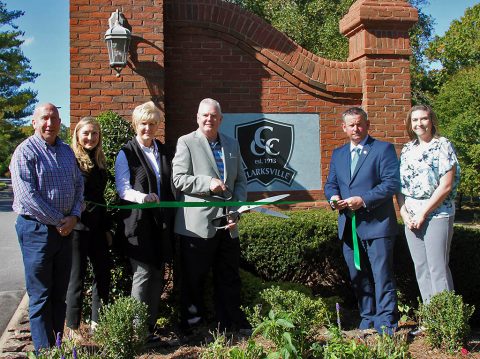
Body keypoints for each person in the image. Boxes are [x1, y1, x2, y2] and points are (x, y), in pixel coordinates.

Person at [9, 103, 83, 352]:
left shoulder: (65, 151)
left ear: (60, 122)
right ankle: (45, 352)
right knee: (40, 296)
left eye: (54, 118)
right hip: (36, 230)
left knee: (59, 293)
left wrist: (73, 216)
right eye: (44, 118)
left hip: (65, 229)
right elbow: (27, 195)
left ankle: (57, 345)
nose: (50, 123)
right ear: (34, 122)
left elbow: (78, 186)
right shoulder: (24, 152)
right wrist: (59, 220)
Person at [172, 98, 249, 334]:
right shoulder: (186, 142)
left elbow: (241, 182)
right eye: (205, 115)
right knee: (194, 279)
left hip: (228, 223)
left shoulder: (232, 144)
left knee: (229, 276)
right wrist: (208, 184)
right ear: (197, 117)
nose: (209, 119)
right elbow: (178, 178)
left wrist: (237, 210)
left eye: (214, 116)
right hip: (197, 226)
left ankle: (229, 323)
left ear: (220, 119)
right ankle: (192, 326)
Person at [324, 107, 400, 335]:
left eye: (359, 124)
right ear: (344, 128)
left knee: (382, 274)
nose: (355, 129)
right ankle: (367, 318)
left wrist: (363, 200)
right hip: (349, 226)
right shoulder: (338, 154)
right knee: (358, 276)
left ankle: (386, 321)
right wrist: (333, 198)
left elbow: (391, 184)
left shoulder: (383, 149)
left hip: (378, 225)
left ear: (367, 124)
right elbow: (331, 184)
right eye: (351, 125)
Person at [115, 101, 174, 341]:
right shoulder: (126, 152)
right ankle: (137, 332)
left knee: (158, 274)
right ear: (135, 125)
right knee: (142, 274)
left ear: (157, 125)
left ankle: (149, 327)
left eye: (152, 124)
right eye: (143, 124)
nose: (147, 128)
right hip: (138, 223)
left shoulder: (163, 150)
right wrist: (144, 197)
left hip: (160, 223)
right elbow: (123, 189)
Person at [397, 105, 460, 305]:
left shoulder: (442, 145)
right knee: (421, 268)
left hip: (437, 214)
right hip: (412, 217)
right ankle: (431, 319)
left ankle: (445, 322)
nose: (419, 124)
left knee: (437, 268)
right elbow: (400, 185)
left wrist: (423, 213)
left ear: (431, 120)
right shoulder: (408, 148)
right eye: (415, 120)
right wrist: (404, 212)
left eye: (423, 119)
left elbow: (446, 185)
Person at [66, 117, 112, 340]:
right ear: (77, 135)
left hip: (98, 227)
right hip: (78, 227)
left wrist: (107, 228)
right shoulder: (71, 160)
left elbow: (100, 196)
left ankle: (97, 321)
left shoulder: (99, 160)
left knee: (103, 274)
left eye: (94, 133)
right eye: (86, 133)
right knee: (77, 276)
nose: (90, 138)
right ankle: (73, 327)